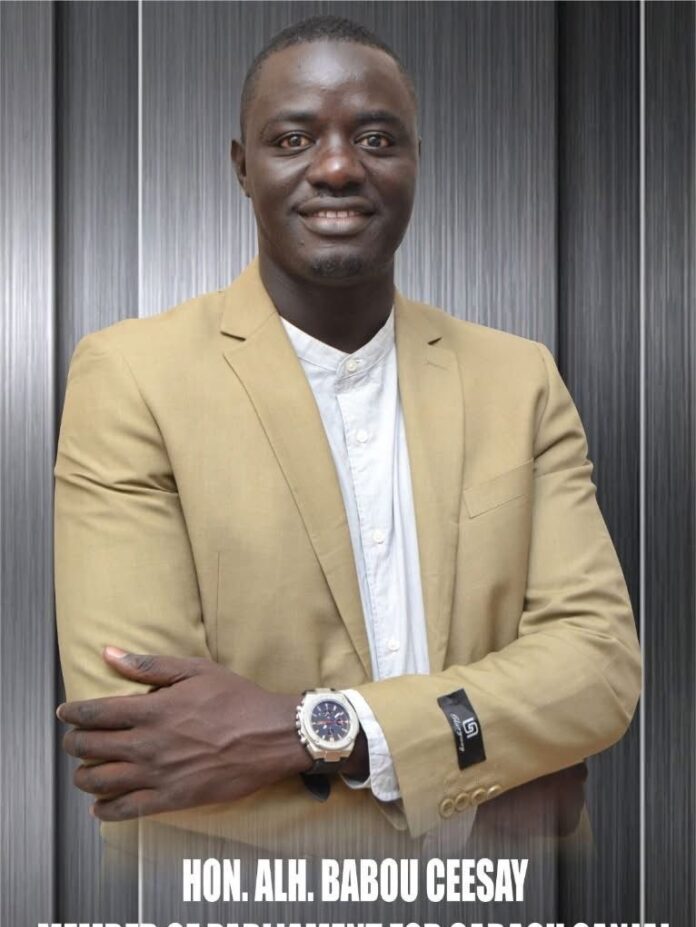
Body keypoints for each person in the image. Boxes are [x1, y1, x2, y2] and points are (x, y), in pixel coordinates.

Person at [54, 16, 641, 860]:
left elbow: (598, 667)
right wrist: (477, 794)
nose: (337, 167)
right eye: (294, 139)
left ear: (416, 161)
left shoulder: (520, 379)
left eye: (376, 138)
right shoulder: (131, 377)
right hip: (239, 918)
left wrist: (314, 732)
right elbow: (143, 740)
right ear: (242, 167)